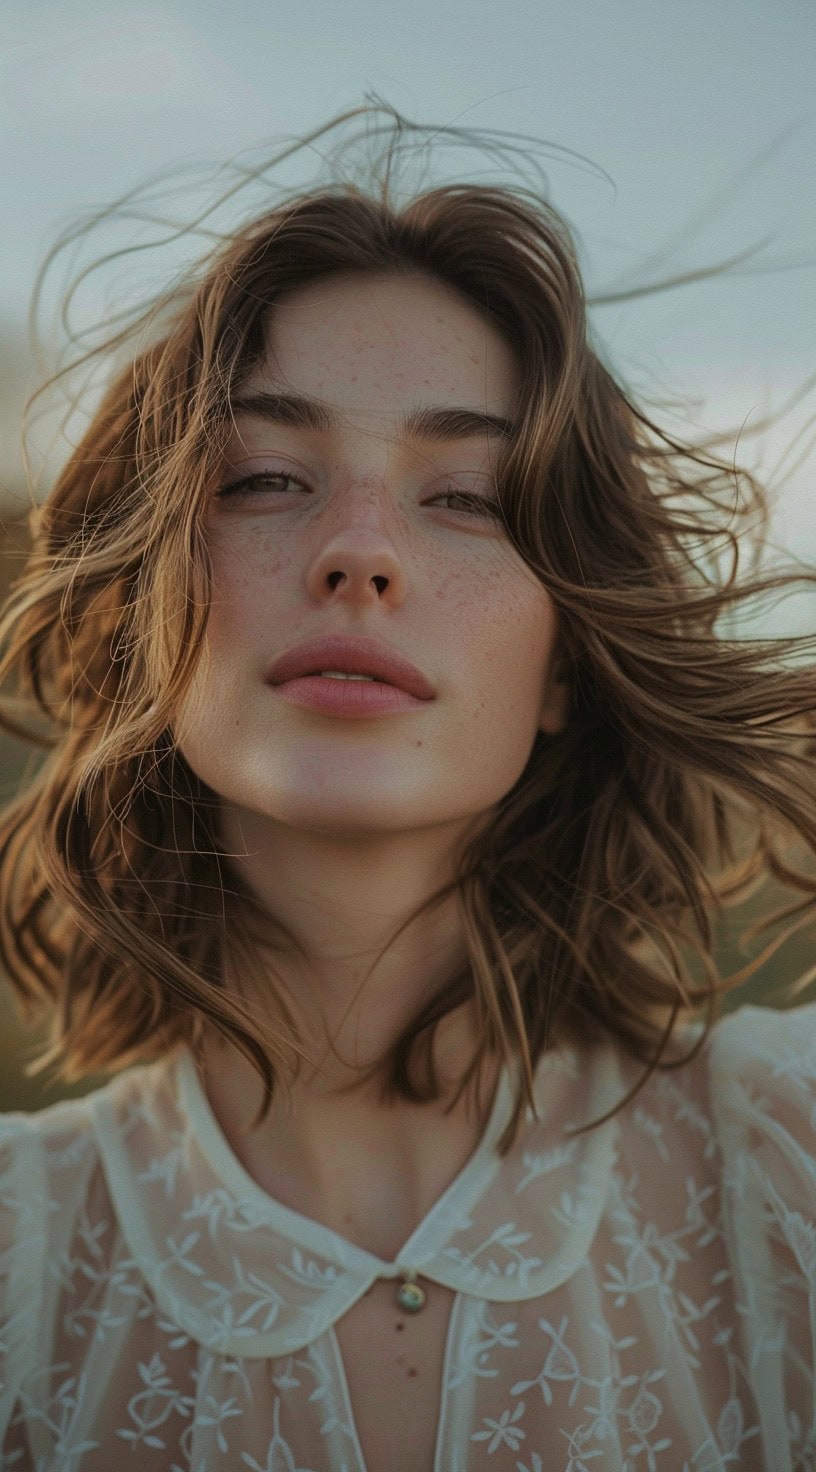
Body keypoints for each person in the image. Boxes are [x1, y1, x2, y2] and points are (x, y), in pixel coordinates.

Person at [0, 101, 814, 1472]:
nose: (358, 553)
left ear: (565, 663)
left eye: (470, 498)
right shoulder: (22, 1266)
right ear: (148, 613)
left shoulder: (786, 1168)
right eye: (264, 477)